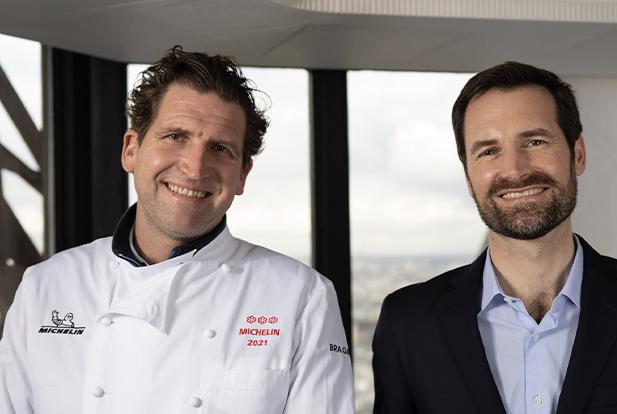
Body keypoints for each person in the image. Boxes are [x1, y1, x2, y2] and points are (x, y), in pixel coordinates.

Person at [0, 46, 354, 414]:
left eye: (220, 148)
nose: (195, 168)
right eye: (175, 136)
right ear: (131, 150)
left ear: (242, 176)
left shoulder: (301, 297)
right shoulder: (46, 286)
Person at [372, 62, 617, 413]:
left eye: (535, 141)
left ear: (578, 155)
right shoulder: (408, 323)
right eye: (489, 151)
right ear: (468, 178)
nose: (515, 170)